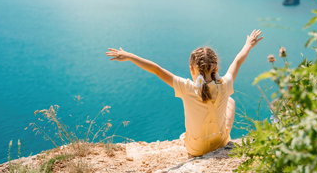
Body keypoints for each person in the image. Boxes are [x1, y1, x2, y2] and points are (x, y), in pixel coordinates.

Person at [106, 29, 263, 156]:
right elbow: (237, 61)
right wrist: (248, 44)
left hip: (196, 149)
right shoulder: (225, 84)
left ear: (192, 68)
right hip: (220, 142)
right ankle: (222, 134)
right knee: (230, 101)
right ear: (216, 68)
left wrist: (129, 56)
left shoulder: (187, 88)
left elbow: (156, 70)